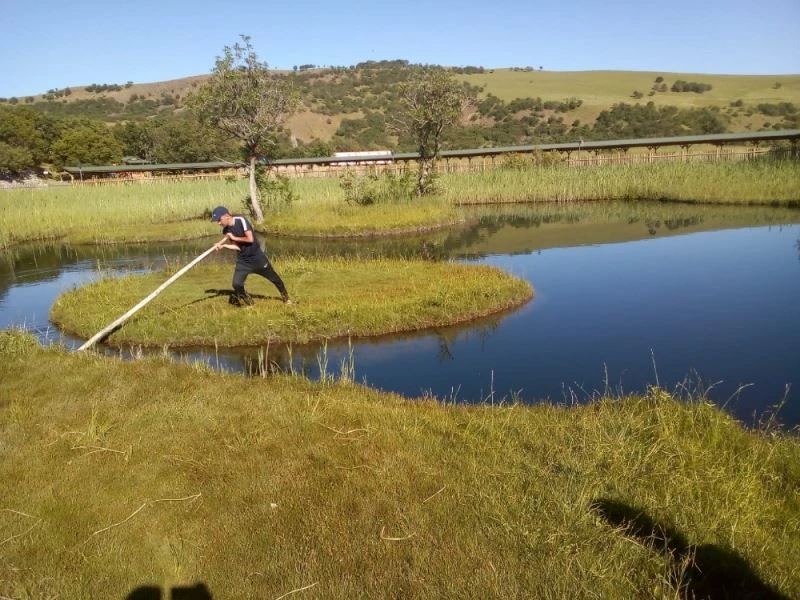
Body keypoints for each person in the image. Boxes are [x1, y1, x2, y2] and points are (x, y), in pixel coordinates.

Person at [211, 206, 291, 306]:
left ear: (226, 215)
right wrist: (223, 245)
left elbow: (250, 239)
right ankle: (251, 304)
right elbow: (237, 247)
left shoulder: (241, 221)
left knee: (275, 279)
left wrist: (234, 237)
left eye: (219, 220)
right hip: (243, 261)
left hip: (257, 258)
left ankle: (286, 299)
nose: (219, 223)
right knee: (236, 284)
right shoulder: (226, 230)